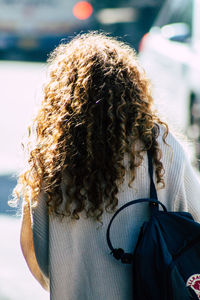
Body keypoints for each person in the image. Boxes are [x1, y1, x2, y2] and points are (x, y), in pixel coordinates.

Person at [13, 32, 200, 300]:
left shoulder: (49, 153)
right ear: (133, 89)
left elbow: (36, 251)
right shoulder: (159, 145)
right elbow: (193, 226)